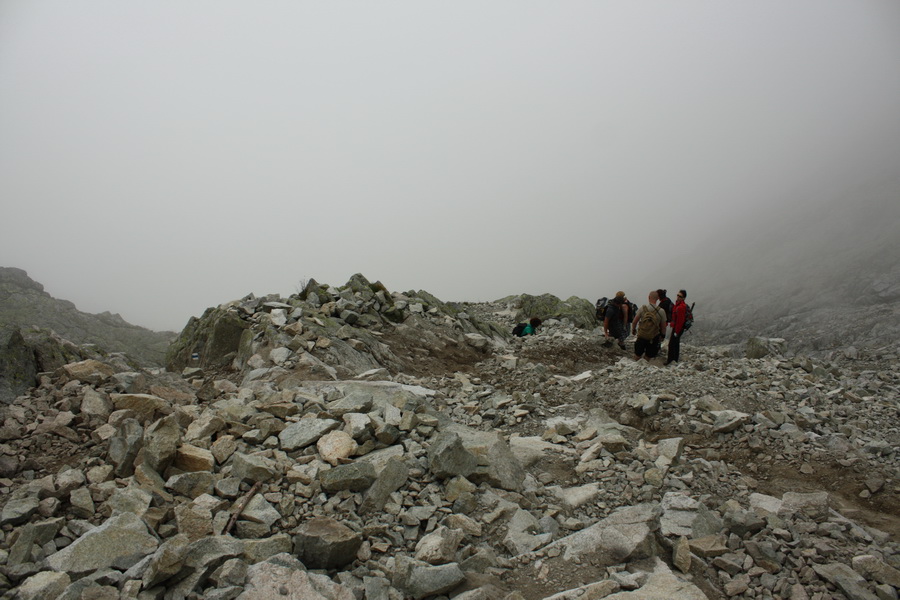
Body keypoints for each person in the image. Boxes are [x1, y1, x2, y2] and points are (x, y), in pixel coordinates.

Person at [632, 290, 666, 360]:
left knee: (637, 355)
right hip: (653, 337)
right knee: (648, 356)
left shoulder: (642, 308)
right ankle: (645, 367)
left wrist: (633, 329)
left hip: (642, 336)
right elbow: (663, 327)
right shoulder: (661, 311)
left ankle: (636, 367)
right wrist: (662, 336)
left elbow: (634, 321)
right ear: (657, 299)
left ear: (649, 297)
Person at [666, 290, 688, 364]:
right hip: (677, 328)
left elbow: (680, 321)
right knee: (675, 343)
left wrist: (676, 331)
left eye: (680, 296)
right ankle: (674, 360)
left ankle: (670, 361)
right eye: (677, 295)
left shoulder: (681, 307)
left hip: (677, 328)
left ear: (684, 298)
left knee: (672, 344)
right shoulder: (678, 305)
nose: (678, 297)